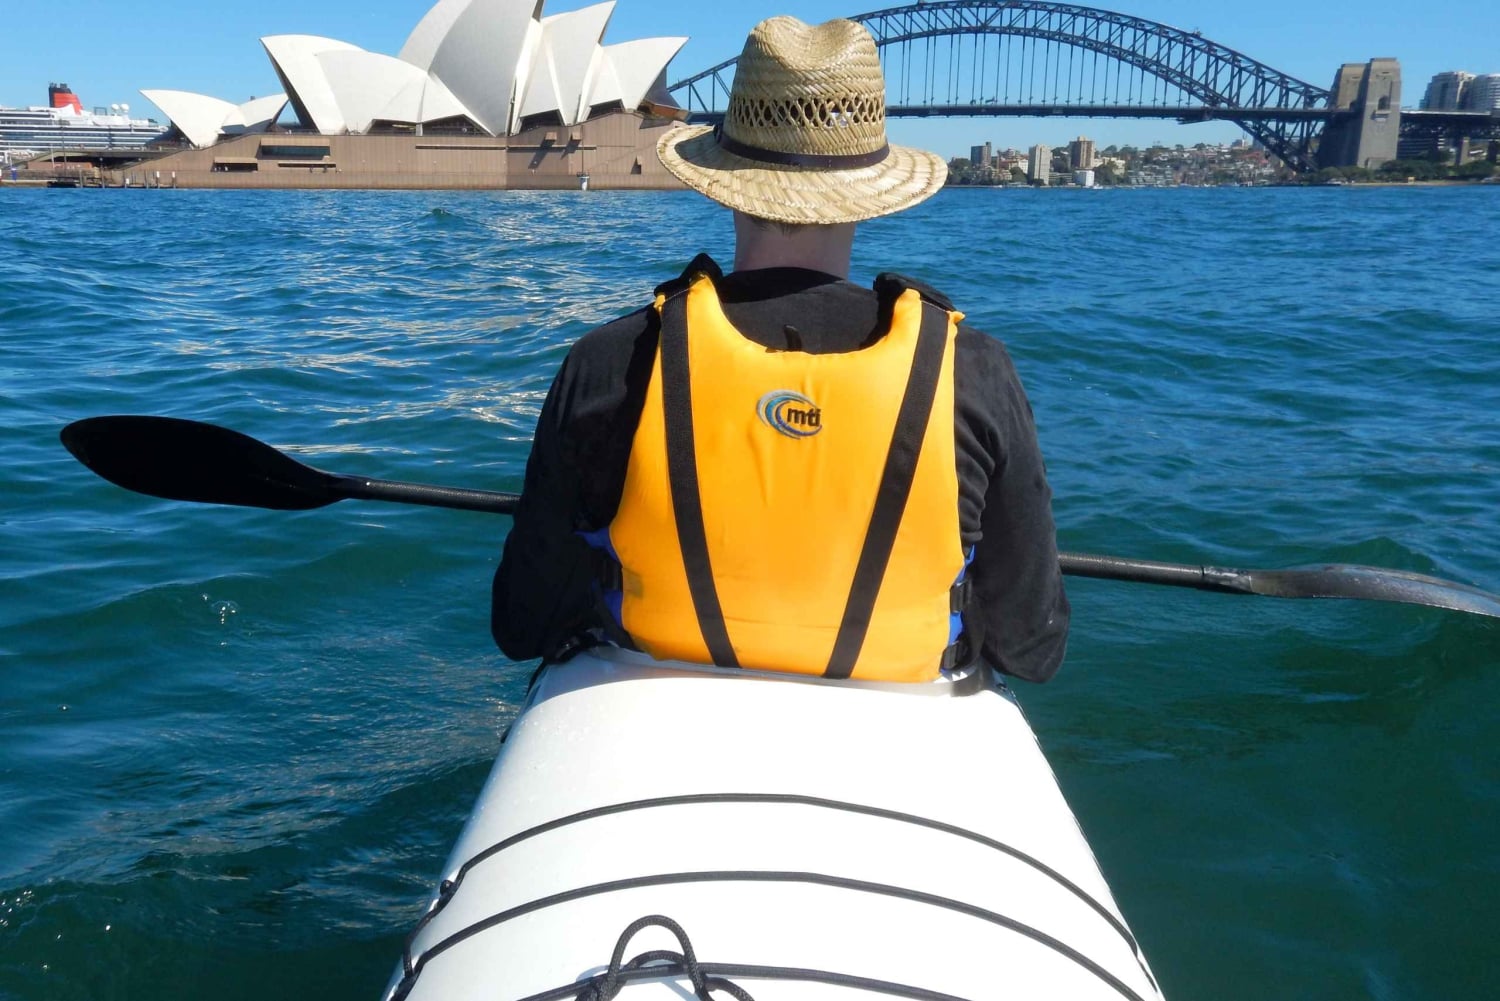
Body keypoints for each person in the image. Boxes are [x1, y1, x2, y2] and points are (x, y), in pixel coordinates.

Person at [492, 15, 1068, 683]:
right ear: (871, 192)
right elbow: (1032, 646)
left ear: (723, 179)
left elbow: (521, 624)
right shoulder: (975, 373)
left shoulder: (609, 363)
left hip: (649, 719)